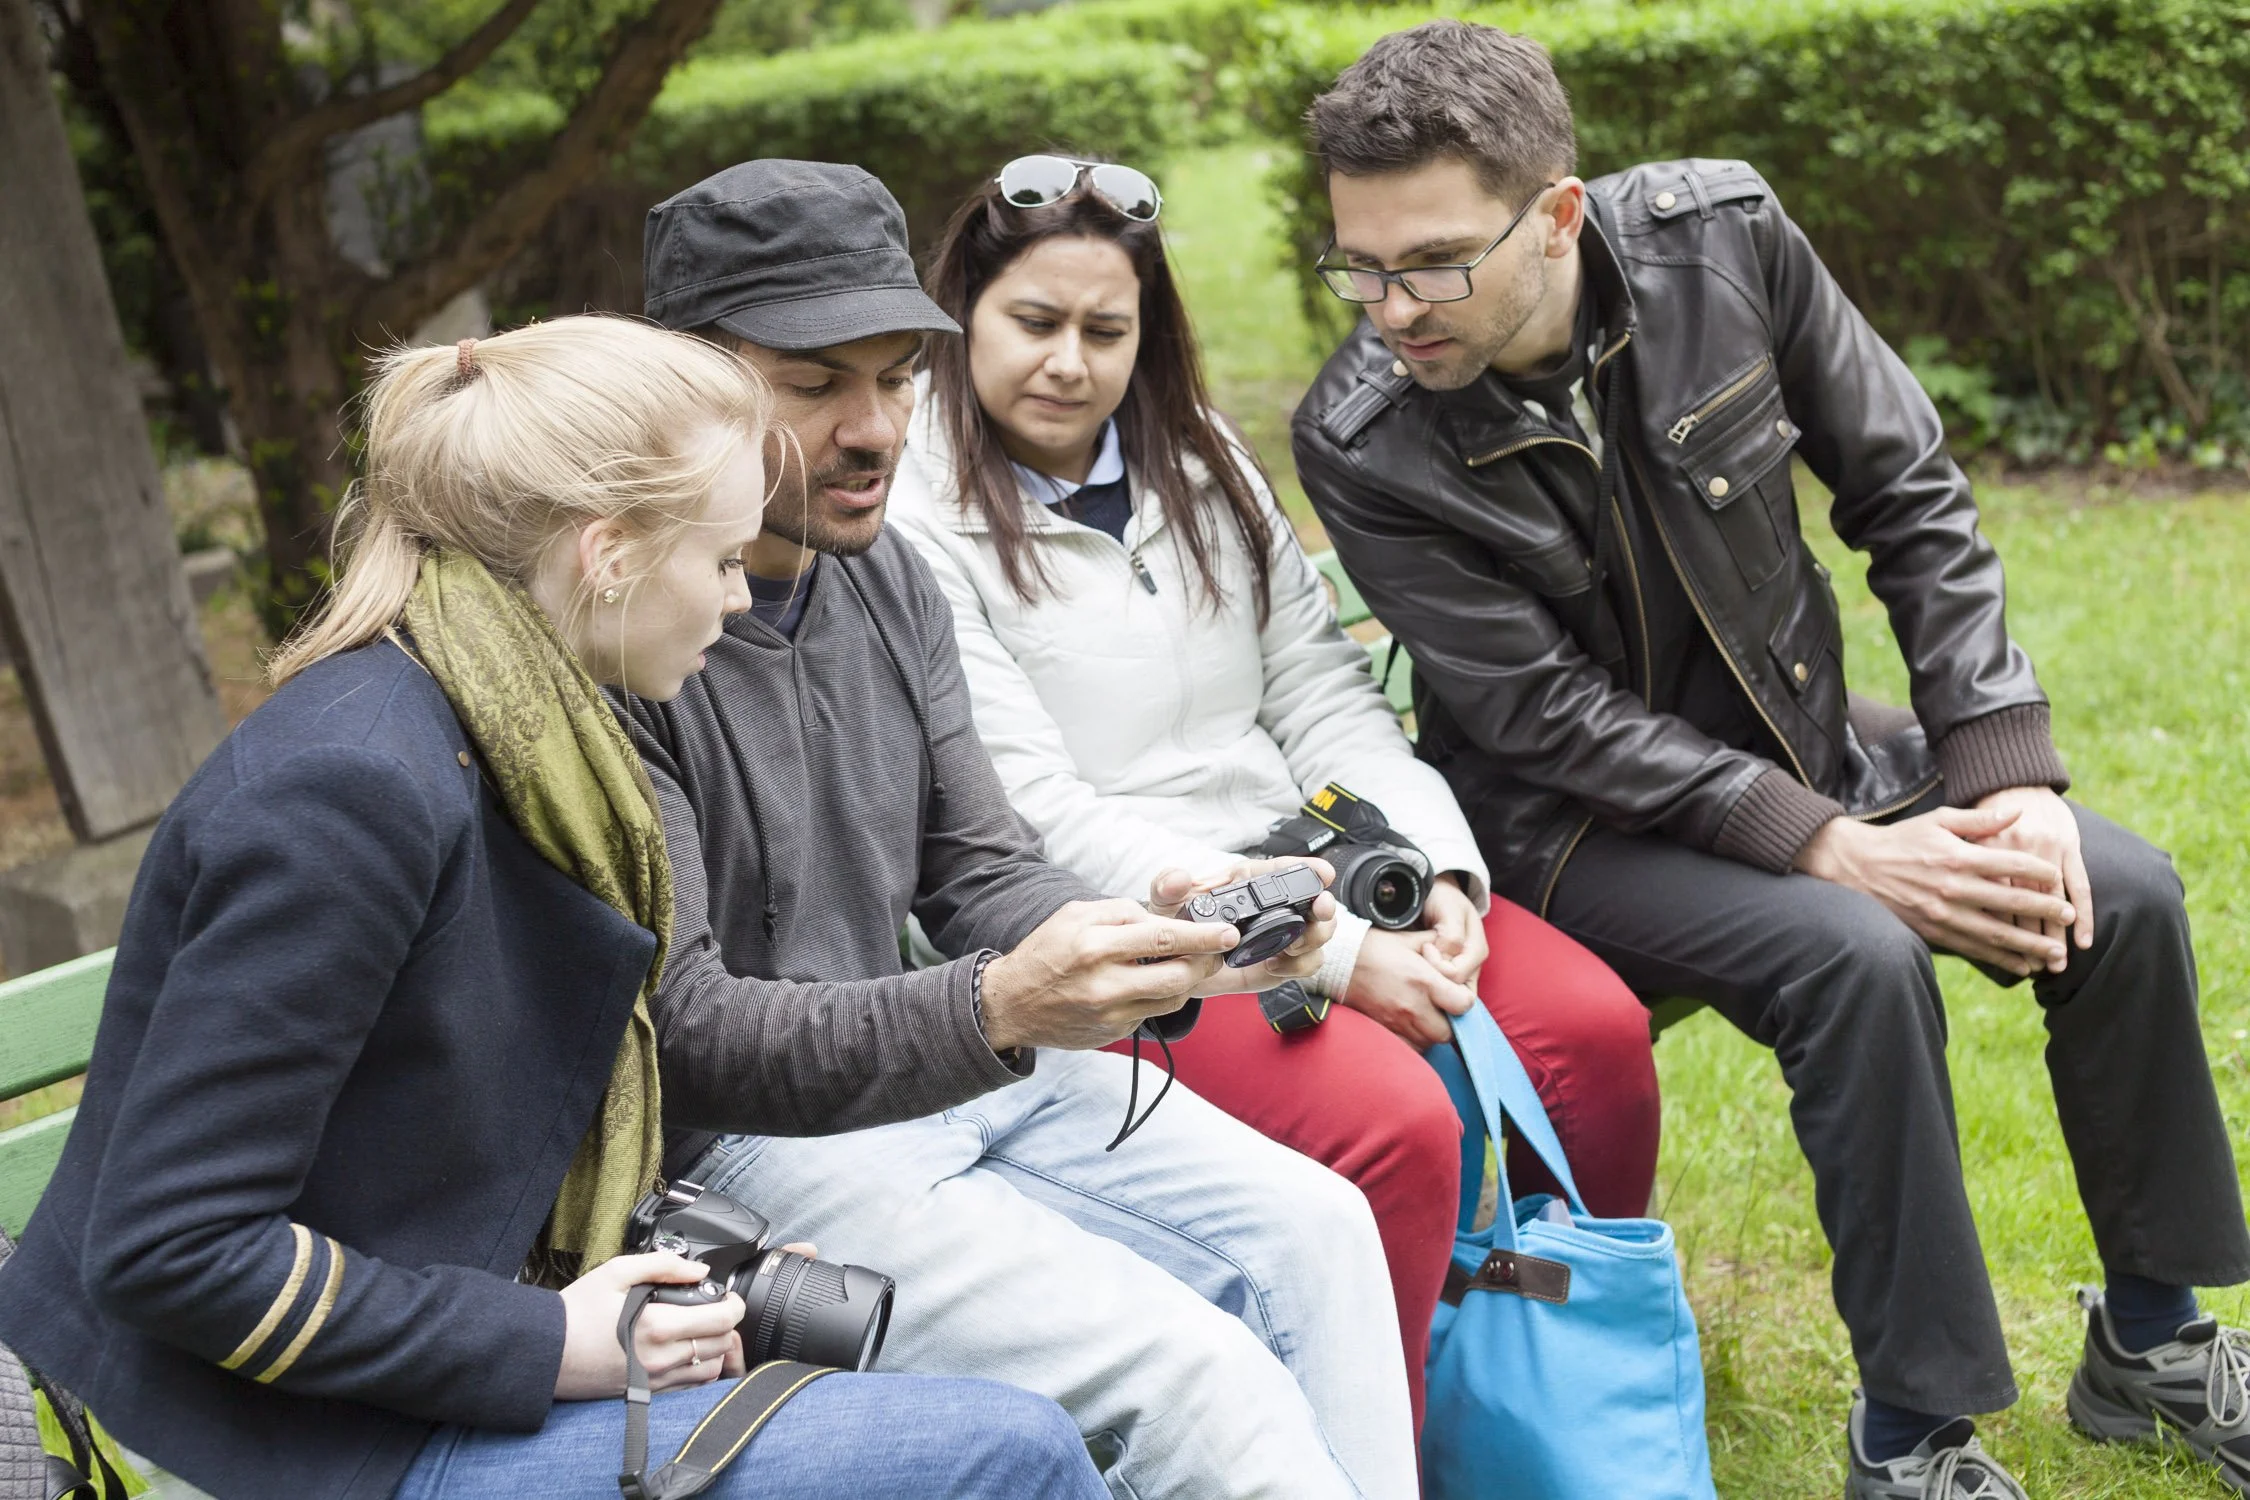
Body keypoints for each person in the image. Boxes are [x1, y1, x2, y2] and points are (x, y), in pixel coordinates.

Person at [1288, 20, 2250, 1499]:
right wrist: (1828, 848)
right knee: (1850, 955)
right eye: (1357, 265)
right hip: (1568, 826)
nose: (1389, 307)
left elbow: (1906, 489)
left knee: (2110, 889)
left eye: (1429, 261)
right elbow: (1543, 717)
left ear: (1556, 214)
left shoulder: (1719, 241)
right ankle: (1910, 1439)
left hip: (1794, 737)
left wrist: (2000, 772)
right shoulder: (1360, 438)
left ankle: (2150, 1345)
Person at [0, 318, 1111, 1500]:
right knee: (1012, 1453)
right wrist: (549, 1344)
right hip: (287, 1440)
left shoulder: (524, 736)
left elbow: (454, 1109)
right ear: (610, 556)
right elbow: (168, 1251)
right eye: (725, 557)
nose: (740, 599)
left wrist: (650, 1278)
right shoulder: (350, 789)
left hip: (418, 1351)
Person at [629, 159, 1418, 1500]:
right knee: (1196, 1375)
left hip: (945, 1060)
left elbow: (976, 863)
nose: (874, 429)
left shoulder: (882, 575)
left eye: (892, 377)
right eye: (814, 386)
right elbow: (687, 1034)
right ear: (681, 384)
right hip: (754, 1149)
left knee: (1318, 1229)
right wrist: (997, 1003)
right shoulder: (627, 637)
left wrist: (1146, 930)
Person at [885, 155, 1661, 1435]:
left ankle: (1547, 1401)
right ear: (966, 313)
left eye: (1105, 329)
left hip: (1320, 866)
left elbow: (1321, 694)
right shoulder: (916, 516)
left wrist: (1435, 873)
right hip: (1133, 930)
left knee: (1591, 1036)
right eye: (1033, 323)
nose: (1068, 363)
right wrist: (1340, 955)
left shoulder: (1197, 465)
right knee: (1398, 1130)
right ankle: (1374, 1443)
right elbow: (1029, 811)